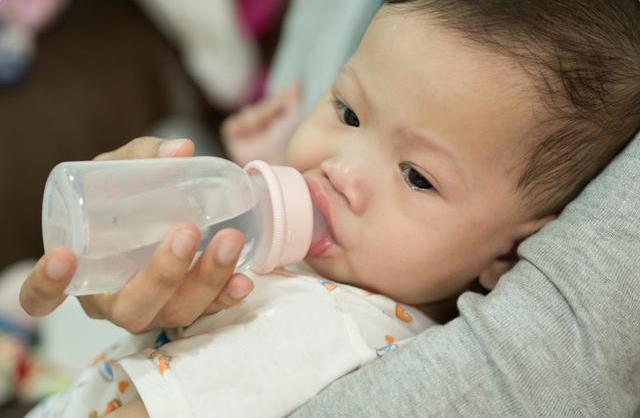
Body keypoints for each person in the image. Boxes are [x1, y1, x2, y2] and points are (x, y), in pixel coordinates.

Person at [20, 0, 640, 416]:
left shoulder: (322, 333)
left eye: (417, 177)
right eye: (347, 111)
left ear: (509, 253)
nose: (339, 172)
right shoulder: (337, 268)